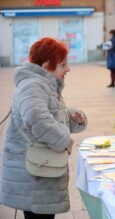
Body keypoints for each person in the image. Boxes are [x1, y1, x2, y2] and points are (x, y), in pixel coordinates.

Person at [0, 37, 87, 219]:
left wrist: (71, 118)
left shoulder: (43, 85)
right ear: (47, 65)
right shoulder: (33, 85)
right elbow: (36, 119)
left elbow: (46, 117)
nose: (68, 69)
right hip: (34, 177)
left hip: (39, 171)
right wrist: (64, 140)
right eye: (63, 65)